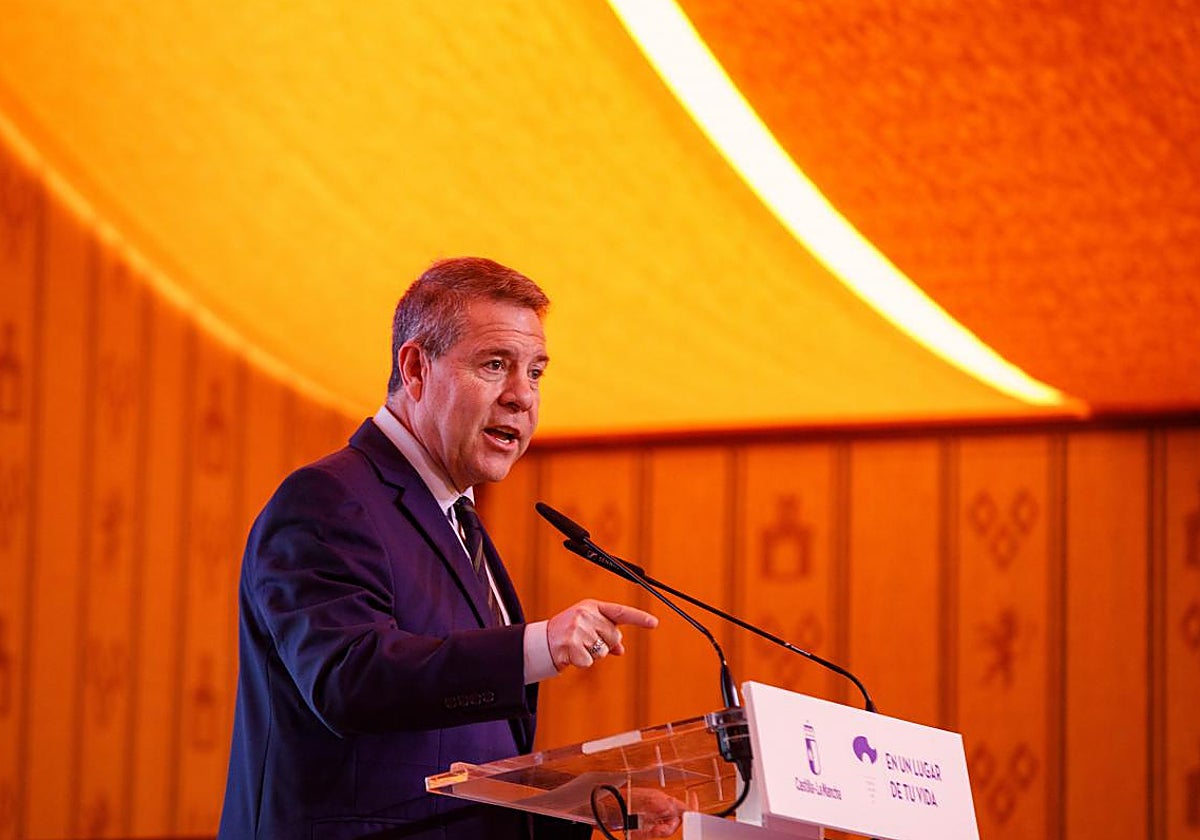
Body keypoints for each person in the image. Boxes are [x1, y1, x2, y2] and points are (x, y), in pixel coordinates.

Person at [218, 257, 660, 839]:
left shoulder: (460, 524)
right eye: (495, 365)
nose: (521, 398)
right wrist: (539, 643)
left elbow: (458, 769)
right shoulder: (328, 499)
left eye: (536, 373)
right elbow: (348, 680)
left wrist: (595, 804)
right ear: (416, 367)